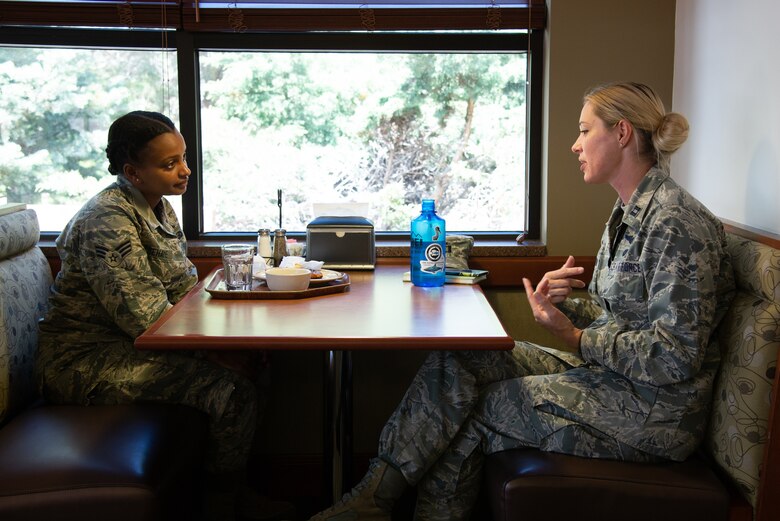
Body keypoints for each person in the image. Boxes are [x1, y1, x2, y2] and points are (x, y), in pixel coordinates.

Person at [306, 81, 737, 521]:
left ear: (622, 133)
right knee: (458, 358)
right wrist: (564, 306)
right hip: (609, 378)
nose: (575, 145)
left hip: (653, 414)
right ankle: (373, 498)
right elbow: (623, 318)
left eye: (585, 131)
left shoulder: (676, 224)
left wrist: (574, 337)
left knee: (486, 407)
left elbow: (675, 356)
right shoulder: (627, 212)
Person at [35, 111, 293, 521]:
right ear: (132, 172)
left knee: (257, 362)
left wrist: (238, 341)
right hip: (84, 361)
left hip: (134, 346)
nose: (185, 171)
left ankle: (231, 488)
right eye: (169, 164)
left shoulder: (157, 206)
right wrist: (215, 356)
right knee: (231, 391)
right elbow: (146, 319)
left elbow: (182, 289)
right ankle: (222, 507)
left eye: (184, 158)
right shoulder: (108, 220)